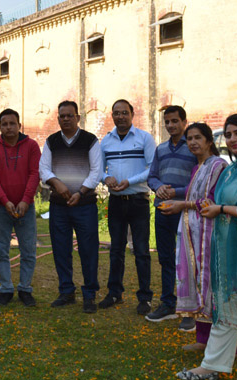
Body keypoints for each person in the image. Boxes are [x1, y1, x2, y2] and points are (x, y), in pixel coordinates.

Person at [178, 113, 237, 380]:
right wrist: (215, 207)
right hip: (225, 246)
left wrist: (220, 209)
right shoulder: (232, 169)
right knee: (227, 303)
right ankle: (212, 365)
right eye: (229, 135)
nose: (232, 139)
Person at [159, 123, 230, 352]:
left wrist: (183, 205)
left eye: (198, 137)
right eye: (189, 139)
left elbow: (213, 201)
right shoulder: (197, 167)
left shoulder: (218, 166)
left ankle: (225, 344)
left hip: (210, 231)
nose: (192, 142)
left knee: (210, 284)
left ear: (209, 141)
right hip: (192, 231)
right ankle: (203, 339)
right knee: (196, 280)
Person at [39, 101, 102, 313]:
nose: (65, 119)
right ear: (58, 118)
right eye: (62, 116)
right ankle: (66, 291)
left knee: (88, 250)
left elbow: (96, 171)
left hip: (85, 205)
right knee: (61, 249)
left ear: (78, 117)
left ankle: (89, 294)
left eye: (69, 115)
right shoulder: (51, 141)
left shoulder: (90, 140)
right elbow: (43, 169)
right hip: (59, 206)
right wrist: (56, 183)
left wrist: (80, 192)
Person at [99, 99, 156, 314]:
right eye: (116, 113)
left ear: (132, 114)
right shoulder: (106, 141)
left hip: (138, 200)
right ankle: (114, 293)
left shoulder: (144, 138)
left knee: (141, 250)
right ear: (112, 116)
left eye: (124, 112)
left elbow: (152, 168)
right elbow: (98, 169)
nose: (120, 116)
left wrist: (129, 182)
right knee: (116, 249)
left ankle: (145, 298)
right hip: (116, 201)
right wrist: (106, 178)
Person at [145, 105, 197, 326]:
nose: (170, 125)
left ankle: (190, 310)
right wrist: (158, 187)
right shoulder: (161, 149)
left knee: (188, 258)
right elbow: (152, 176)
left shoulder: (193, 147)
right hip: (163, 209)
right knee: (165, 257)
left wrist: (175, 192)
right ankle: (168, 303)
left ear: (184, 122)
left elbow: (198, 182)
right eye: (167, 122)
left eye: (175, 121)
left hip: (184, 209)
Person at [0, 108, 41, 307]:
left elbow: (35, 174)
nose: (9, 127)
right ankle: (6, 289)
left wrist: (25, 200)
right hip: (1, 208)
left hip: (27, 208)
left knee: (28, 250)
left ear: (19, 125)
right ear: (0, 127)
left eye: (12, 123)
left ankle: (25, 288)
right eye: (5, 124)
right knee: (1, 250)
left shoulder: (31, 146)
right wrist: (5, 200)